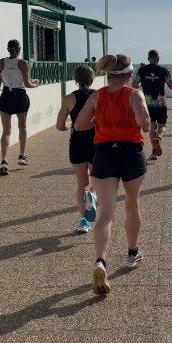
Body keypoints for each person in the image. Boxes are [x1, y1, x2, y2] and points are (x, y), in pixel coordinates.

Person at [74, 54, 152, 295]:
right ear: (129, 74)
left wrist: (100, 121)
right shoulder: (134, 94)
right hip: (130, 154)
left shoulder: (97, 95)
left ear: (109, 74)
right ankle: (132, 253)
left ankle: (100, 261)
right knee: (132, 203)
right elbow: (145, 124)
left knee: (106, 214)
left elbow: (79, 125)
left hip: (104, 154)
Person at [56, 65, 98, 234]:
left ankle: (84, 221)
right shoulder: (99, 96)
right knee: (97, 181)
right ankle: (92, 198)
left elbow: (60, 126)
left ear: (76, 80)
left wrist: (72, 124)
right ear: (92, 79)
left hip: (77, 143)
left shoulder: (68, 99)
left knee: (82, 182)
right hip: (97, 142)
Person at [0, 39, 40, 175]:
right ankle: (22, 155)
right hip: (19, 96)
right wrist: (36, 84)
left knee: (6, 131)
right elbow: (27, 84)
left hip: (6, 96)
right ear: (19, 49)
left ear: (8, 49)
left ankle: (4, 161)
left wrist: (3, 75)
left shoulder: (2, 62)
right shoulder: (22, 63)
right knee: (22, 126)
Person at [132, 50, 172, 160]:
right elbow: (171, 86)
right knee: (162, 126)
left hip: (148, 104)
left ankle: (154, 153)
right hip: (161, 103)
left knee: (152, 128)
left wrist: (142, 82)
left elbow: (134, 85)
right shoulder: (164, 70)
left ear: (148, 59)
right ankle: (158, 138)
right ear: (158, 59)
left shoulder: (142, 70)